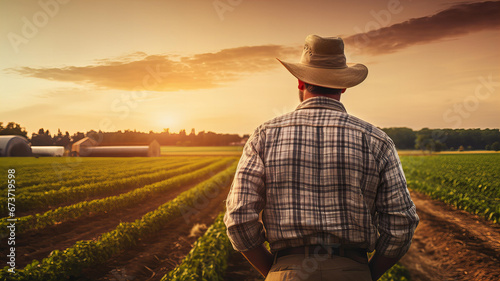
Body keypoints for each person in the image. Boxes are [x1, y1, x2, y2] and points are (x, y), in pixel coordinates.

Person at [224, 34, 419, 281]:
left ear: (300, 82)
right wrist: (367, 274)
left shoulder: (265, 135)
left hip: (285, 271)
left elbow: (239, 218)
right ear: (344, 85)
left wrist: (274, 272)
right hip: (353, 270)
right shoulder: (376, 140)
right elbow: (402, 224)